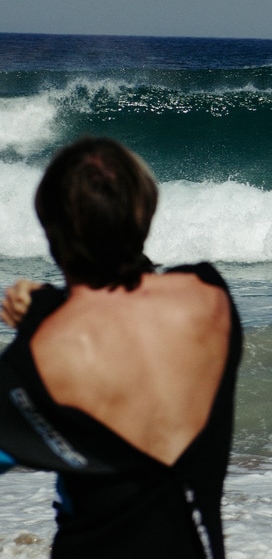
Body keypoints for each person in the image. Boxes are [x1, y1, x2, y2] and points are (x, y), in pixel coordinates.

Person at [0, 136, 242, 558]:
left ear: (49, 226)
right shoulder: (209, 298)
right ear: (144, 212)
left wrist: (42, 320)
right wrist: (48, 308)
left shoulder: (37, 359)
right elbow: (129, 300)